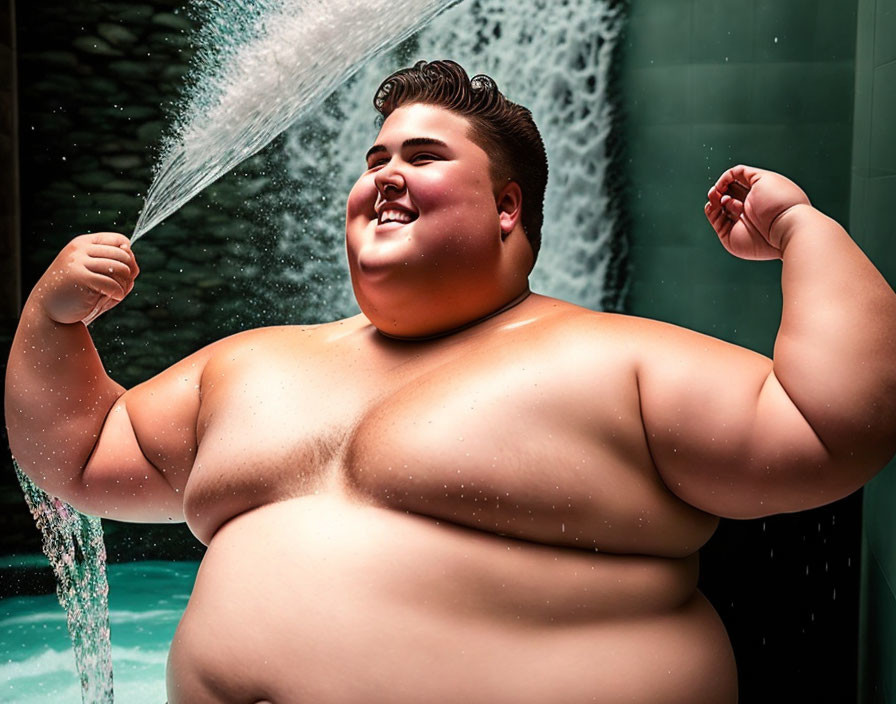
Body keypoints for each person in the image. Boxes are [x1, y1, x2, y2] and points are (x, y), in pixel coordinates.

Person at [6, 60, 896, 704]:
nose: (385, 174)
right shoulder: (250, 363)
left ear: (509, 208)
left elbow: (831, 429)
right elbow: (77, 454)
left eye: (423, 157)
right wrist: (53, 322)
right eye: (372, 160)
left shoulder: (617, 358)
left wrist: (797, 230)